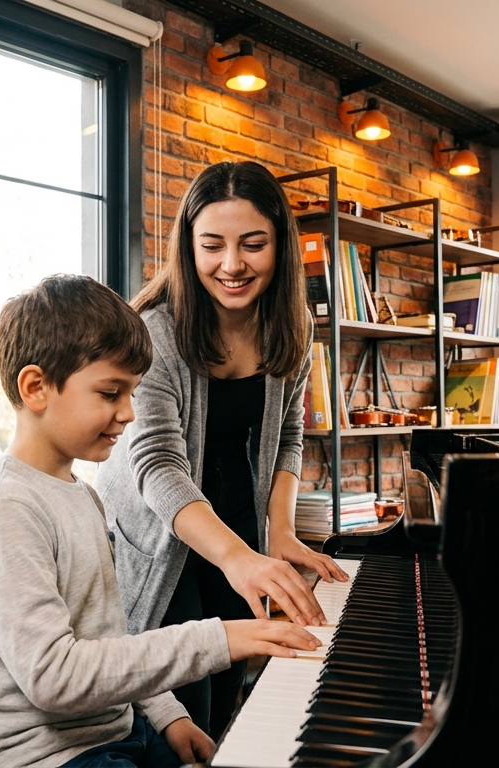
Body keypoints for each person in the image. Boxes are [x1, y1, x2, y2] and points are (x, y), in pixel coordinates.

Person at [0, 274, 319, 768]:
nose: (129, 412)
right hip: (45, 757)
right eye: (110, 392)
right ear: (36, 387)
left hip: (112, 733)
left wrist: (168, 715)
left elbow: (110, 639)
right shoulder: (5, 511)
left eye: (133, 393)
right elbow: (55, 676)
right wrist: (220, 639)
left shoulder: (83, 495)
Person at [95, 162, 349, 738]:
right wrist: (238, 558)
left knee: (230, 705)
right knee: (181, 713)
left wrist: (278, 533)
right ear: (188, 247)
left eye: (253, 244)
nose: (232, 265)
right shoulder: (155, 331)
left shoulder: (293, 326)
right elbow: (158, 466)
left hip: (237, 528)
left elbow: (288, 436)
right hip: (168, 542)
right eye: (212, 245)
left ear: (280, 245)